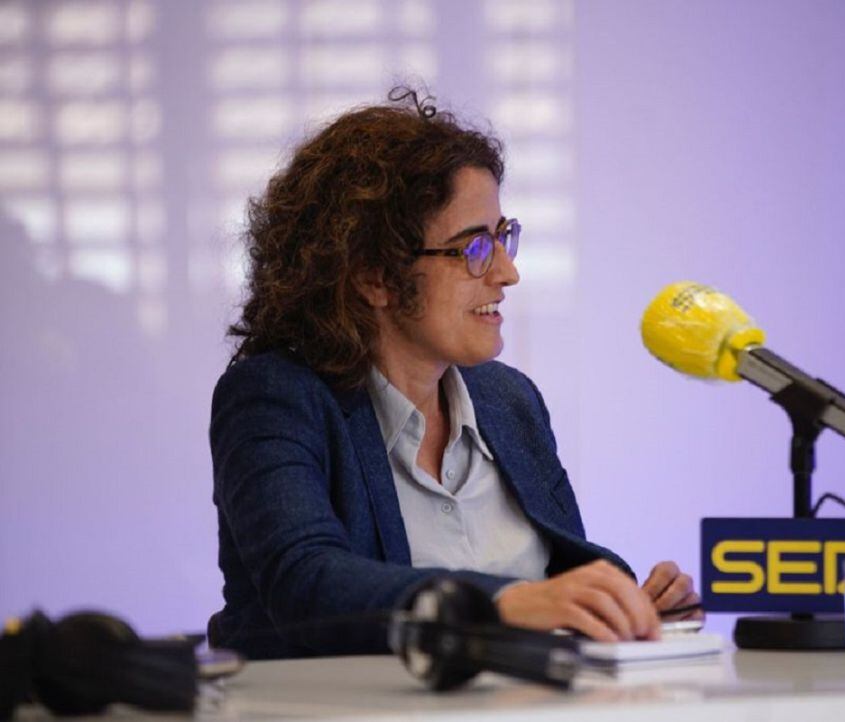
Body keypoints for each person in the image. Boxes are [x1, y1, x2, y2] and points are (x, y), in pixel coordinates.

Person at [207, 88, 702, 659]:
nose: (507, 272)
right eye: (474, 248)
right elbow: (306, 583)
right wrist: (503, 605)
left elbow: (561, 575)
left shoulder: (508, 400)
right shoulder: (275, 398)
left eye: (504, 236)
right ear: (375, 276)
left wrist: (626, 605)